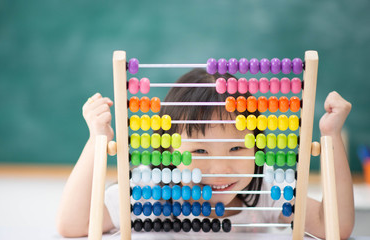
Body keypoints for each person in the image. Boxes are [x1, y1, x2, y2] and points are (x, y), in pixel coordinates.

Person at [56, 69, 354, 238]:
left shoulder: (267, 192)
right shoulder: (147, 192)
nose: (220, 168)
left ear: (257, 150)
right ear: (170, 153)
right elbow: (73, 224)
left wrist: (331, 136)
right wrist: (96, 142)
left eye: (237, 148)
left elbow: (334, 226)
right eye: (199, 150)